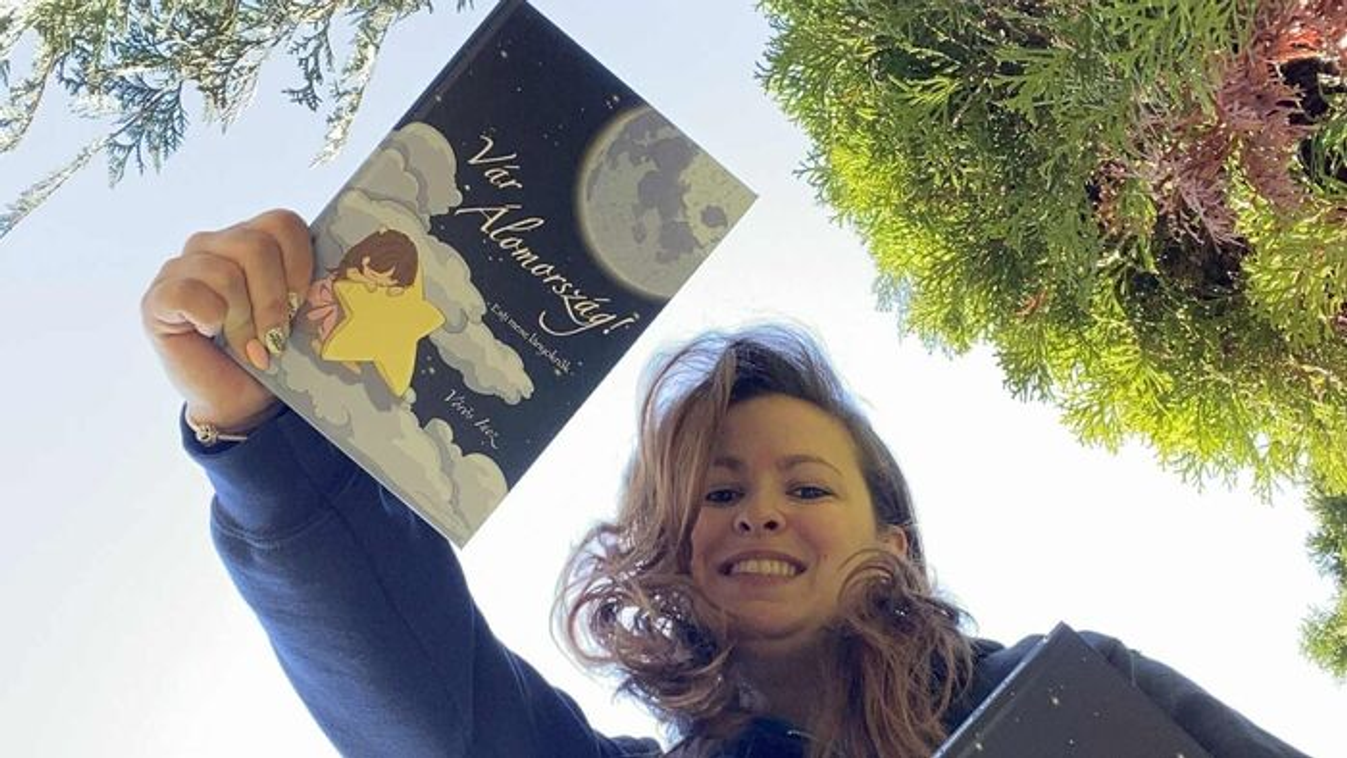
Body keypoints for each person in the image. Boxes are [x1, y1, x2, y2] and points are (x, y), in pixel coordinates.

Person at [142, 209, 1309, 757]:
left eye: (810, 487)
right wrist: (263, 432)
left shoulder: (1077, 687)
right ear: (669, 553)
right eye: (716, 492)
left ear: (893, 545)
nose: (760, 508)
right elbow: (428, 707)